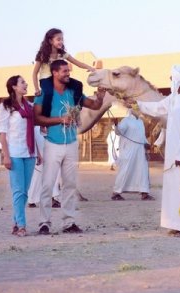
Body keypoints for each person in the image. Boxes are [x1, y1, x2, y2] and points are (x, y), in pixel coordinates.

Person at [33, 60, 105, 235]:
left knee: (70, 185)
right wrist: (60, 120)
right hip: (52, 143)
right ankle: (44, 222)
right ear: (55, 73)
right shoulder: (44, 92)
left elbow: (94, 106)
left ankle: (69, 222)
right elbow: (37, 119)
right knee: (47, 185)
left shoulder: (74, 91)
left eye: (68, 71)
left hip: (71, 143)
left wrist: (100, 96)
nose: (68, 74)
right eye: (64, 71)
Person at [133, 64, 180, 238]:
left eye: (172, 77)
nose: (170, 80)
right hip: (173, 154)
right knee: (174, 190)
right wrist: (137, 104)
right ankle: (178, 224)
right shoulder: (174, 99)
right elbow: (156, 108)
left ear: (179, 80)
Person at [0, 75, 39, 237]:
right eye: (22, 82)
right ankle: (22, 225)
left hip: (30, 153)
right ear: (14, 87)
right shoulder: (5, 106)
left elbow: (35, 130)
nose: (26, 84)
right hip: (14, 153)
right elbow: (2, 133)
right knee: (18, 191)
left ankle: (16, 222)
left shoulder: (30, 105)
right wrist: (6, 156)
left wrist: (38, 152)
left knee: (25, 192)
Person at [32, 28, 95, 120]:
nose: (61, 41)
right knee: (49, 93)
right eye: (58, 39)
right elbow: (34, 73)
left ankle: (76, 110)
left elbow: (77, 62)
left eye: (62, 39)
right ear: (50, 41)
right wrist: (37, 88)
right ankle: (45, 117)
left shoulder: (62, 54)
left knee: (78, 85)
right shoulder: (43, 54)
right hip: (46, 79)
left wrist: (90, 68)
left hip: (58, 78)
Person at [111, 108, 155, 201]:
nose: (139, 110)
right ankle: (116, 193)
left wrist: (146, 144)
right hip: (128, 150)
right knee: (125, 170)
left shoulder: (140, 122)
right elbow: (119, 132)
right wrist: (116, 125)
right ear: (131, 110)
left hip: (140, 150)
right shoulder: (126, 120)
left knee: (142, 170)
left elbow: (142, 136)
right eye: (137, 109)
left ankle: (144, 193)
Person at [27, 126, 61, 208]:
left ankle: (53, 199)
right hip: (39, 154)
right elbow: (32, 141)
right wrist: (36, 154)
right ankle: (31, 200)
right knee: (37, 177)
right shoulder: (34, 129)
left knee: (54, 176)